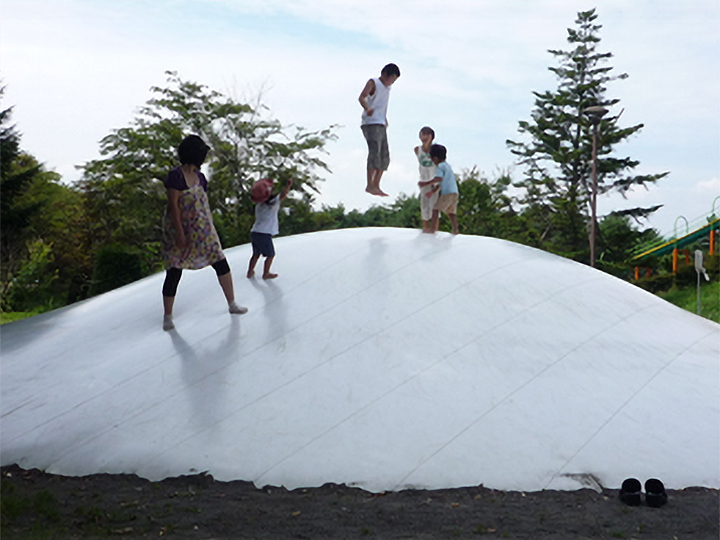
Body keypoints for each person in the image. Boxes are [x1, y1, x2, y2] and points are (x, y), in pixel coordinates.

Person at [161, 135, 247, 331]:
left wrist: (210, 229)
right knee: (174, 270)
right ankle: (167, 316)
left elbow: (203, 205)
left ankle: (232, 303)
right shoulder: (175, 177)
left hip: (202, 230)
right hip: (180, 230)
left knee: (220, 263)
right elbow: (174, 206)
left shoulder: (200, 178)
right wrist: (180, 233)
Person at [358, 63, 400, 197]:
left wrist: (384, 118)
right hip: (371, 122)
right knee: (375, 151)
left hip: (380, 122)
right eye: (392, 79)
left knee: (384, 155)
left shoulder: (388, 89)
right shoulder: (373, 83)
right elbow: (362, 97)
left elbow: (381, 105)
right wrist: (367, 108)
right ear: (385, 74)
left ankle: (376, 184)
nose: (392, 83)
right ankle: (370, 184)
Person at [247, 177, 293, 280]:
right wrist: (288, 185)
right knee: (271, 255)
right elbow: (283, 195)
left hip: (255, 232)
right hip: (264, 233)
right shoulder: (273, 203)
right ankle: (266, 273)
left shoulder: (259, 205)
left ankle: (250, 271)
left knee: (256, 254)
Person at [424, 144, 460, 235]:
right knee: (451, 212)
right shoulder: (448, 166)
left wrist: (426, 183)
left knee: (435, 209)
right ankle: (455, 230)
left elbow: (438, 179)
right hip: (455, 192)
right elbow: (442, 182)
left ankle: (432, 229)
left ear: (435, 158)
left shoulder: (440, 167)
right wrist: (433, 191)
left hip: (447, 193)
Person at [414, 126, 438, 233]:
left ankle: (434, 228)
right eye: (422, 134)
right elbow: (424, 150)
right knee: (424, 204)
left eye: (427, 135)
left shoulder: (436, 150)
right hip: (423, 180)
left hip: (435, 180)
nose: (424, 137)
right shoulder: (417, 150)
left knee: (434, 205)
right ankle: (426, 227)